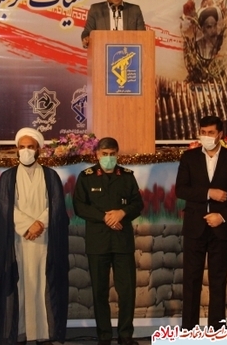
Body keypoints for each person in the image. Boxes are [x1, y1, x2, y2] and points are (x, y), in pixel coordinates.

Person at [0, 127, 69, 345]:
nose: (26, 151)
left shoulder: (50, 176)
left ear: (38, 150)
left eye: (31, 147)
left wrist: (39, 224)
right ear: (17, 150)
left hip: (45, 242)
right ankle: (20, 332)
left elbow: (56, 206)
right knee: (21, 287)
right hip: (17, 243)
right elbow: (4, 208)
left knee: (43, 285)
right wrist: (27, 226)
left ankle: (44, 333)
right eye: (22, 147)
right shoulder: (8, 177)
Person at [175, 115, 227, 330]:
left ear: (220, 134)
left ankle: (216, 331)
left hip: (221, 230)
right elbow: (181, 190)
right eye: (203, 132)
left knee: (218, 283)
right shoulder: (189, 158)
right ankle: (189, 332)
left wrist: (223, 216)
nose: (206, 136)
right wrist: (209, 192)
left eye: (210, 132)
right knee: (191, 282)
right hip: (194, 228)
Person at [74, 137, 144, 345]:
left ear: (117, 154)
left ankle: (125, 335)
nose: (109, 158)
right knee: (99, 291)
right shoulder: (86, 177)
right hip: (98, 242)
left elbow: (137, 204)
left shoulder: (127, 176)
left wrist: (122, 213)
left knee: (127, 291)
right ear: (97, 155)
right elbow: (80, 206)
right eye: (104, 154)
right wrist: (105, 217)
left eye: (112, 154)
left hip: (122, 242)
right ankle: (104, 336)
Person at [81, 0, 146, 48]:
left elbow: (142, 36)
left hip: (129, 52)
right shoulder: (96, 10)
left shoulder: (134, 10)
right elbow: (87, 32)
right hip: (102, 51)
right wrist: (86, 38)